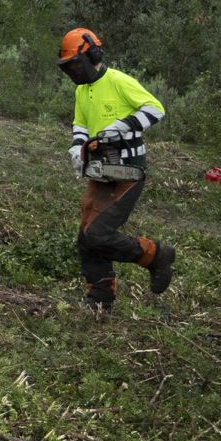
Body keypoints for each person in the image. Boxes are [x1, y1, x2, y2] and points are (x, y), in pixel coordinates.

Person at [59, 26, 175, 309]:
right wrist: (78, 145)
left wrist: (122, 127)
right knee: (87, 238)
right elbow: (81, 123)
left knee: (98, 233)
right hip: (100, 168)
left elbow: (155, 108)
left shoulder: (118, 80)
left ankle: (155, 255)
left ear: (91, 55)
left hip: (127, 168)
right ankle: (100, 299)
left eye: (75, 65)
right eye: (68, 68)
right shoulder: (83, 89)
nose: (73, 72)